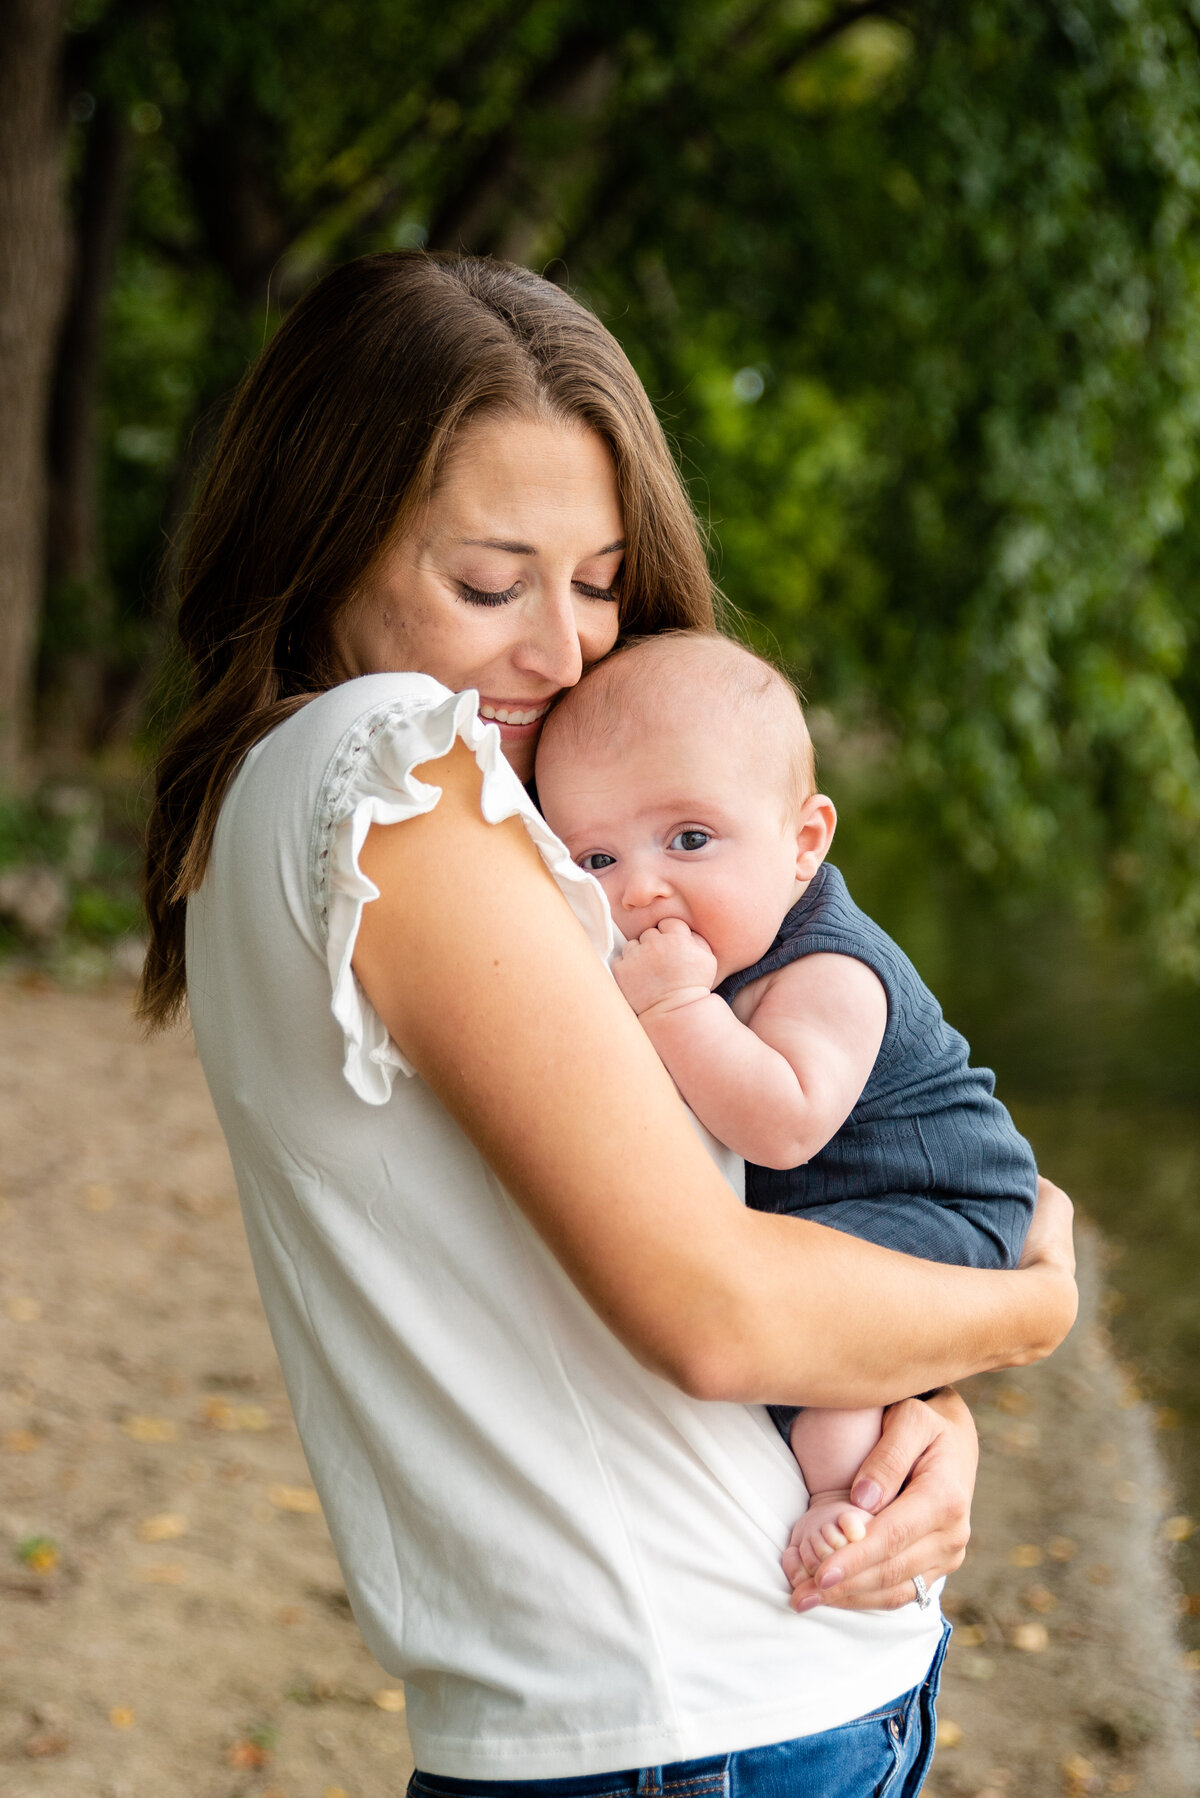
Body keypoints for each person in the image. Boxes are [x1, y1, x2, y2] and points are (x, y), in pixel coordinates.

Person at [140, 251, 1076, 1798]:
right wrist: (1027, 1310)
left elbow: (707, 1224)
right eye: (489, 582)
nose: (567, 649)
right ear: (320, 541)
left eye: (598, 581)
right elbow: (712, 1306)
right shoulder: (386, 761)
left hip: (712, 1685)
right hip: (690, 1711)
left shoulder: (293, 808)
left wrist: (917, 1408)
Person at [534, 631, 1039, 1579]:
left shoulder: (830, 970)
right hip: (849, 1202)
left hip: (945, 1200)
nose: (642, 888)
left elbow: (784, 1118)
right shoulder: (713, 940)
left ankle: (848, 1497)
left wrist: (677, 1007)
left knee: (825, 1360)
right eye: (595, 858)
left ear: (804, 843)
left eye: (690, 839)